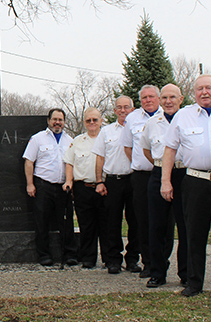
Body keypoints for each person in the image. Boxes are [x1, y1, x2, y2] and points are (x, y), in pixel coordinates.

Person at [160, 75, 211, 297]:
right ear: (194, 93)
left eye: (209, 88)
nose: (204, 92)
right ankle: (194, 283)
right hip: (195, 182)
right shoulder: (183, 116)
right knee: (194, 234)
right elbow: (170, 150)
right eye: (200, 88)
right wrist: (166, 181)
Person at [140, 84, 188, 289]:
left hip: (184, 174)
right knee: (157, 226)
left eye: (173, 97)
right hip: (159, 173)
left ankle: (186, 273)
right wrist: (163, 167)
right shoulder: (152, 123)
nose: (168, 101)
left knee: (185, 227)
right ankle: (157, 272)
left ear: (181, 99)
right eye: (165, 97)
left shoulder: (188, 119)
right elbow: (147, 149)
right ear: (160, 99)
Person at [92, 96, 140, 274]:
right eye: (119, 107)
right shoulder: (107, 131)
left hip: (134, 179)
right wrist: (99, 181)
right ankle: (113, 259)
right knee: (112, 221)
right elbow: (100, 157)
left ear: (132, 109)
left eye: (126, 107)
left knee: (135, 221)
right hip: (113, 180)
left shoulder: (139, 129)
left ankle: (133, 258)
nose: (123, 110)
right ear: (114, 111)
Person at [23, 108, 76, 267]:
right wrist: (30, 184)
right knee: (42, 222)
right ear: (48, 121)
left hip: (63, 187)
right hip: (43, 186)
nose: (57, 122)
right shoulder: (38, 138)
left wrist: (70, 182)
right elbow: (29, 162)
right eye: (55, 119)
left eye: (60, 119)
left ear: (64, 122)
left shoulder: (70, 141)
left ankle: (69, 255)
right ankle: (44, 255)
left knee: (66, 224)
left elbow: (72, 164)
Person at [120, 85, 162, 278]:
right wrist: (139, 163)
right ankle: (148, 263)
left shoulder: (168, 115)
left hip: (163, 173)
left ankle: (163, 261)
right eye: (144, 97)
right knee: (142, 220)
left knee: (164, 221)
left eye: (151, 96)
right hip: (141, 176)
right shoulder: (132, 119)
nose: (148, 100)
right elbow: (128, 147)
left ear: (158, 98)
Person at [62, 108, 103, 269]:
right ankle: (88, 258)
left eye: (95, 120)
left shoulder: (107, 138)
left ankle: (110, 258)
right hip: (82, 188)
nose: (92, 123)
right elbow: (69, 163)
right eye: (88, 120)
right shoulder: (78, 141)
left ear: (101, 120)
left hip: (103, 187)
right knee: (86, 225)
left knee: (106, 224)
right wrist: (68, 182)